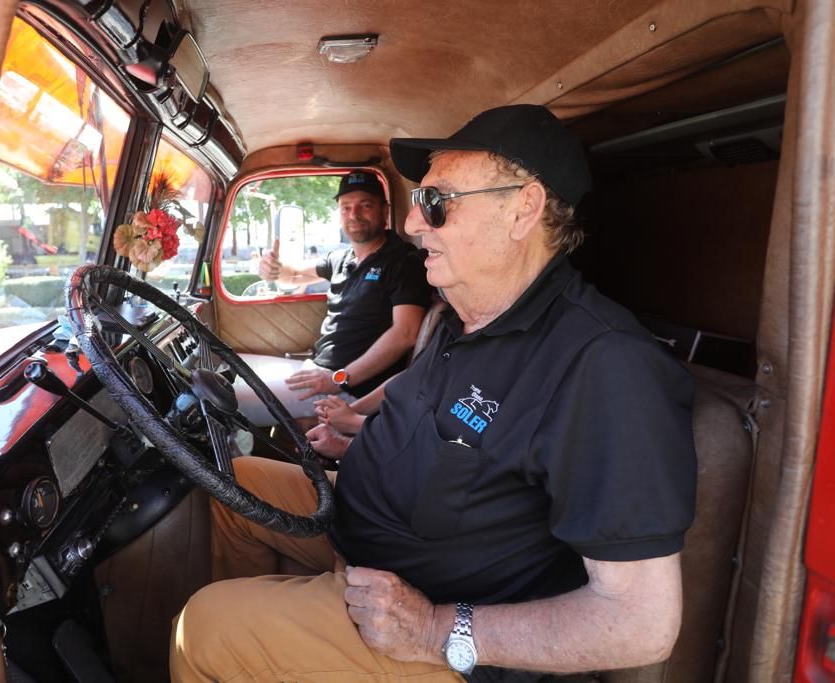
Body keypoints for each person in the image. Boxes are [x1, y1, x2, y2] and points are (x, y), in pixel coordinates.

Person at [173, 105, 697, 682]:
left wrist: (433, 629)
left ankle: (237, 654)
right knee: (233, 483)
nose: (415, 225)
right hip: (361, 533)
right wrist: (360, 431)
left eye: (436, 203)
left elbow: (640, 623)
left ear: (523, 208)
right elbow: (445, 431)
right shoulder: (463, 316)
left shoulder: (605, 366)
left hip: (426, 624)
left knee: (202, 628)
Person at [235, 171, 434, 425]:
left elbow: (406, 334)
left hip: (350, 388)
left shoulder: (403, 262)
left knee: (226, 400)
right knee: (233, 366)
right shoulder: (340, 259)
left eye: (365, 205)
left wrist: (340, 378)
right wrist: (272, 271)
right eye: (346, 207)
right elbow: (293, 276)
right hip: (316, 370)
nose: (354, 215)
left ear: (385, 210)